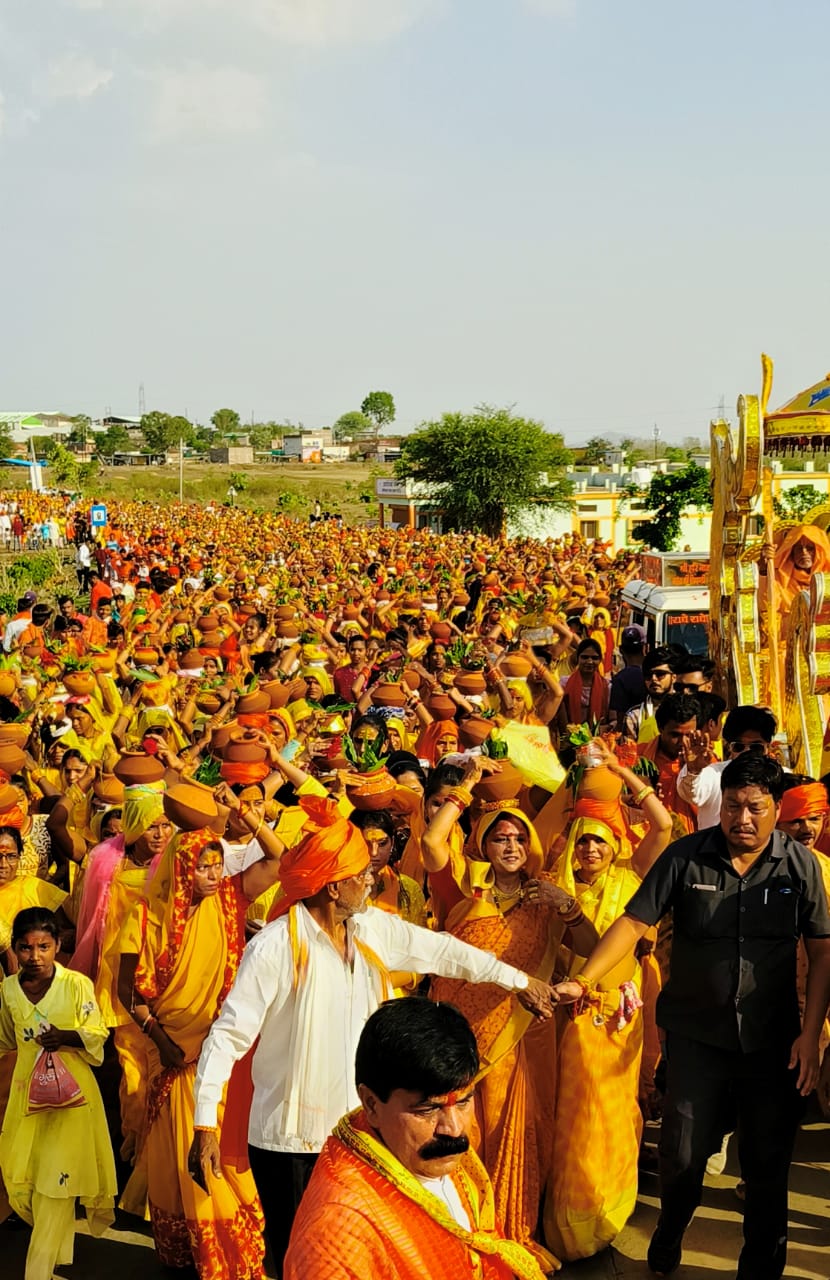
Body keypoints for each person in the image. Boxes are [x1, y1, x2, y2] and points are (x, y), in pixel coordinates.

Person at [189, 797, 558, 1277]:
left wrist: (519, 981)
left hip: (362, 1132)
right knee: (303, 1259)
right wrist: (204, 1124)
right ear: (331, 883)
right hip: (292, 1143)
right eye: (360, 873)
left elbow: (448, 952)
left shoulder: (369, 929)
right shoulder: (275, 946)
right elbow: (227, 1036)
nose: (371, 879)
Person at [553, 754, 830, 1280]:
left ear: (775, 810)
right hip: (696, 1039)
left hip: (774, 1044)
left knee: (768, 1167)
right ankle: (670, 1231)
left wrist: (811, 1035)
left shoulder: (801, 867)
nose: (741, 819)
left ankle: (760, 1268)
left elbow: (821, 953)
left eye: (755, 808)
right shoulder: (685, 857)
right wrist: (584, 980)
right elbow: (634, 924)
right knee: (683, 1155)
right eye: (731, 807)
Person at [424, 757, 599, 1266]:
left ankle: (513, 1232)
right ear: (482, 842)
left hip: (526, 1038)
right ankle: (463, 1235)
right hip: (463, 1037)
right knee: (463, 1135)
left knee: (522, 1132)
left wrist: (568, 906)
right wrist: (467, 786)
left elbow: (589, 945)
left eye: (519, 839)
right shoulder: (463, 890)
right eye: (500, 838)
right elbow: (434, 843)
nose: (510, 846)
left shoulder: (547, 899)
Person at [283, 999, 548, 1280]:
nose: (454, 1128)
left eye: (464, 1102)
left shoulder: (428, 1153)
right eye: (427, 1109)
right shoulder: (337, 1232)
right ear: (371, 1104)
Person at [118, 825, 282, 1278]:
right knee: (184, 1153)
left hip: (220, 1049)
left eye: (216, 864)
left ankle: (231, 1249)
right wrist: (161, 1039)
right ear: (181, 867)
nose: (212, 873)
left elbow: (276, 860)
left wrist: (250, 817)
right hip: (171, 1052)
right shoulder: (146, 917)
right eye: (203, 865)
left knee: (223, 1152)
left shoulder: (229, 903)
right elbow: (126, 991)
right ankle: (199, 1249)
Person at [0, 907, 117, 1279]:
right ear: (15, 949)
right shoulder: (7, 990)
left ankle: (37, 1271)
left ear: (58, 946)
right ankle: (58, 1250)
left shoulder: (77, 985)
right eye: (26, 948)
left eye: (44, 947)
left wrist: (67, 1037)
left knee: (55, 1181)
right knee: (20, 1179)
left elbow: (98, 1033)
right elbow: (5, 1038)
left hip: (73, 1098)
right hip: (26, 1096)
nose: (35, 957)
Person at [677, 705, 777, 830]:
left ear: (768, 747)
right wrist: (694, 770)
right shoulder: (714, 773)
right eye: (739, 747)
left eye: (756, 747)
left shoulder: (780, 777)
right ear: (730, 747)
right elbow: (691, 794)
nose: (746, 752)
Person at [609, 624, 647, 727]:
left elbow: (621, 721)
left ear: (621, 650)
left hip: (631, 737)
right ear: (646, 648)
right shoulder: (656, 675)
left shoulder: (620, 679)